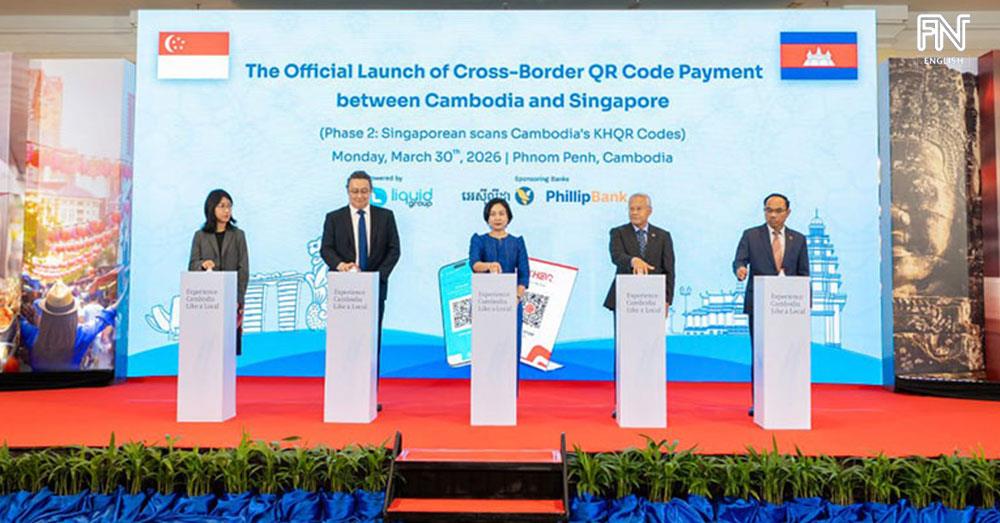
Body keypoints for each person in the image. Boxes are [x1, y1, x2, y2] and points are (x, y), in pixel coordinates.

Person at [321, 170, 401, 410]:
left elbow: (394, 250)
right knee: (345, 343)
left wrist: (377, 278)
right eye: (354, 191)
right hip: (345, 293)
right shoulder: (334, 218)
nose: (359, 195)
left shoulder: (386, 217)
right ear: (347, 191)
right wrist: (340, 265)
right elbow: (326, 249)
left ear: (371, 191)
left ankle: (368, 397)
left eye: (364, 191)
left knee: (371, 343)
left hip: (374, 290)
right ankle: (343, 396)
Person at [732, 193, 810, 416]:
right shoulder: (751, 235)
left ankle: (788, 400)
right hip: (759, 305)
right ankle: (760, 402)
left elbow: (804, 273)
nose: (773, 215)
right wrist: (740, 269)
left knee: (788, 355)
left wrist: (807, 304)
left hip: (790, 308)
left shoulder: (799, 239)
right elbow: (739, 260)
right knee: (761, 355)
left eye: (778, 211)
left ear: (788, 212)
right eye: (769, 210)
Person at [604, 193, 675, 418]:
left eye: (639, 208)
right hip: (625, 301)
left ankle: (649, 401)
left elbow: (669, 270)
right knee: (625, 352)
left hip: (652, 303)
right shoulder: (618, 232)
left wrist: (667, 300)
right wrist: (632, 260)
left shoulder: (662, 236)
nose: (634, 212)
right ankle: (622, 402)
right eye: (631, 208)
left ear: (649, 211)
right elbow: (616, 256)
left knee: (650, 352)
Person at [469, 197, 530, 388]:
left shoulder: (517, 242)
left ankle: (509, 392)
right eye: (493, 214)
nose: (497, 218)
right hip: (486, 303)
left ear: (508, 217)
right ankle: (485, 391)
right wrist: (489, 265)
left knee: (509, 348)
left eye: (501, 214)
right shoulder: (479, 240)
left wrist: (517, 297)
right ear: (487, 218)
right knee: (486, 347)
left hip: (511, 303)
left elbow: (524, 274)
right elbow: (474, 264)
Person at [188, 189, 249, 355]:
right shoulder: (200, 236)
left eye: (229, 206)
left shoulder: (238, 235)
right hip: (207, 302)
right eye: (222, 206)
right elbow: (192, 265)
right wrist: (202, 265)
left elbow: (243, 269)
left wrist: (239, 299)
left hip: (231, 300)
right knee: (208, 350)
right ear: (211, 208)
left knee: (229, 349)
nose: (227, 210)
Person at [19, 280, 120, 372]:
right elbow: (104, 317)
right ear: (71, 314)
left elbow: (18, 319)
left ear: (45, 314)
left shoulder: (32, 334)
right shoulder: (82, 334)